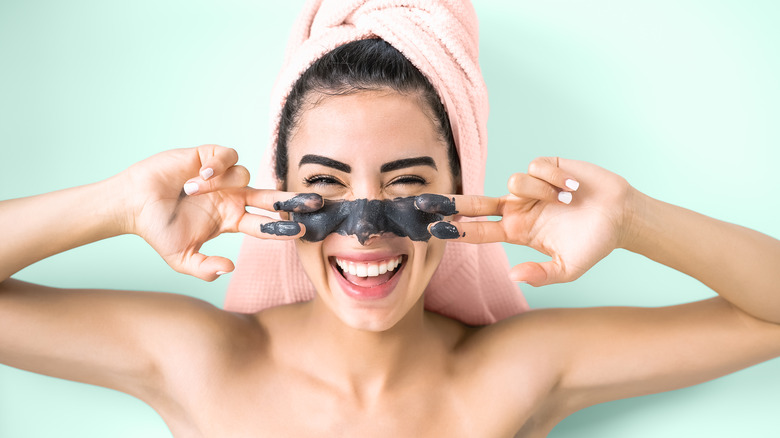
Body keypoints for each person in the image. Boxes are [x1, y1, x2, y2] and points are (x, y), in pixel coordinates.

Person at [2, 1, 779, 437]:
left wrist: (634, 219)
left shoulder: (513, 373)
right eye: (324, 184)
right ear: (275, 197)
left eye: (408, 184)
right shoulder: (201, 362)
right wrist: (117, 204)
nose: (365, 232)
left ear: (462, 190)